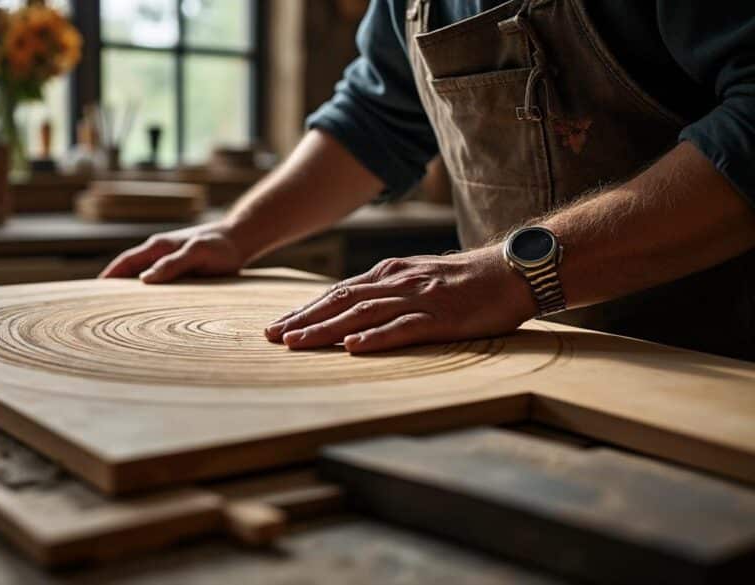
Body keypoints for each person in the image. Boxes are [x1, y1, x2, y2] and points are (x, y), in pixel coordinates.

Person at [101, 0, 755, 362]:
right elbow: (373, 118)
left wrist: (510, 274)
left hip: (716, 361)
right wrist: (236, 233)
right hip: (528, 356)